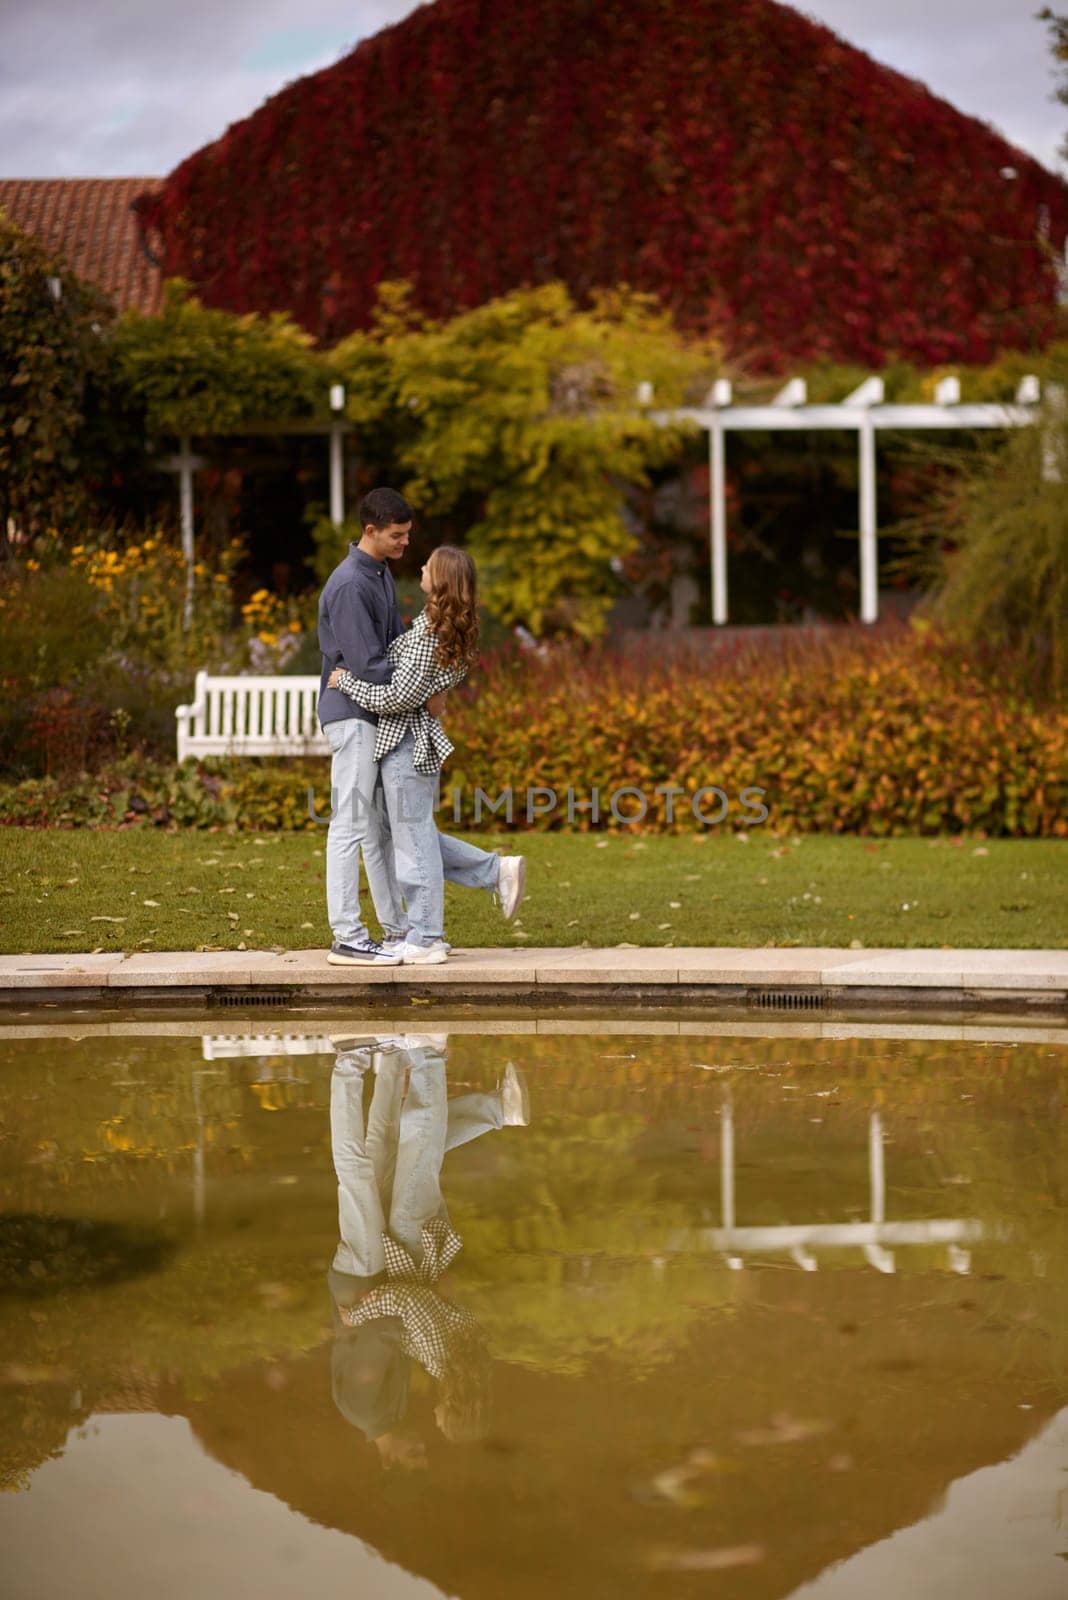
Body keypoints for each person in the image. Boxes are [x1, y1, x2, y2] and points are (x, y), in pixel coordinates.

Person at [327, 1034, 529, 1462]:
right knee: (417, 1152)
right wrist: (362, 1313)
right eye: (442, 1422)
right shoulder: (441, 1362)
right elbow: (413, 1304)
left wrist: (436, 1297)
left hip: (424, 1253)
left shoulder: (470, 1357)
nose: (432, 1421)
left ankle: (495, 1108)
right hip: (408, 1254)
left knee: (413, 1154)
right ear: (454, 1410)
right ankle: (429, 1056)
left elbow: (450, 1301)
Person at [328, 543, 525, 966]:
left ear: (441, 581)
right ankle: (495, 871)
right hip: (407, 744)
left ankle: (427, 935)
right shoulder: (432, 628)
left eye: (428, 565)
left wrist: (346, 683)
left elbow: (396, 696)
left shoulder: (429, 637)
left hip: (406, 747)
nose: (419, 566)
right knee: (414, 838)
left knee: (414, 844)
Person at [318, 487, 419, 965]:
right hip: (351, 716)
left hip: (371, 714)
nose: (404, 543)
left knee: (377, 829)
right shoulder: (350, 585)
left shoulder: (379, 573)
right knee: (350, 823)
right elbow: (369, 664)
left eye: (407, 535)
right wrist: (418, 682)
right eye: (396, 536)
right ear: (371, 530)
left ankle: (397, 930)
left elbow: (395, 643)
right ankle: (346, 935)